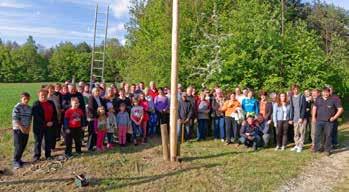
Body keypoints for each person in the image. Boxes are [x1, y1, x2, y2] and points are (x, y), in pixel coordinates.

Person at [312, 87, 344, 156]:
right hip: (319, 120)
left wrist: (334, 117)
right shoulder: (318, 98)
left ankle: (327, 150)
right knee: (317, 135)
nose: (325, 93)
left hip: (329, 121)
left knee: (328, 135)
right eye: (324, 92)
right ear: (322, 92)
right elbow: (314, 107)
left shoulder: (334, 99)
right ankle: (317, 148)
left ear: (329, 92)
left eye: (327, 92)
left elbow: (340, 109)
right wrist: (313, 117)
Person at [32, 89, 58, 161]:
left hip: (50, 126)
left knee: (48, 140)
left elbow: (54, 114)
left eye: (45, 95)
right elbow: (37, 116)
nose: (44, 96)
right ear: (39, 95)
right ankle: (37, 156)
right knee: (38, 141)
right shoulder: (36, 104)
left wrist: (52, 121)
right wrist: (45, 123)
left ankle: (48, 155)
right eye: (42, 95)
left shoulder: (51, 102)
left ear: (47, 95)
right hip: (39, 126)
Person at [12, 92, 32, 169]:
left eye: (28, 99)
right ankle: (15, 161)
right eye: (25, 99)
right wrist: (22, 128)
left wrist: (28, 128)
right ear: (21, 99)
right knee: (18, 145)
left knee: (23, 145)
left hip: (26, 129)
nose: (26, 100)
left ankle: (19, 159)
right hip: (18, 129)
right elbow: (16, 119)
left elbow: (30, 119)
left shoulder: (29, 108)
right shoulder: (17, 107)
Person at [289, 84, 307, 153]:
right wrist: (291, 118)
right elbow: (291, 108)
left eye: (296, 89)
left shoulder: (302, 96)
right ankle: (296, 144)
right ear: (292, 90)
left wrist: (301, 117)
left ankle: (300, 146)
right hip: (295, 118)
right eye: (294, 89)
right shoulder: (291, 97)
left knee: (301, 132)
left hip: (301, 118)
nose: (295, 90)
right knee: (295, 132)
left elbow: (304, 108)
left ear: (298, 89)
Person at [87, 87, 106, 151]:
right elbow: (91, 108)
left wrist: (102, 114)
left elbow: (103, 106)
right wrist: (98, 114)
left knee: (98, 133)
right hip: (93, 117)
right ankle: (89, 147)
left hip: (100, 118)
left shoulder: (100, 98)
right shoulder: (91, 98)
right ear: (93, 92)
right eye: (96, 91)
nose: (97, 92)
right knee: (92, 133)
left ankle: (97, 145)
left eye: (98, 91)